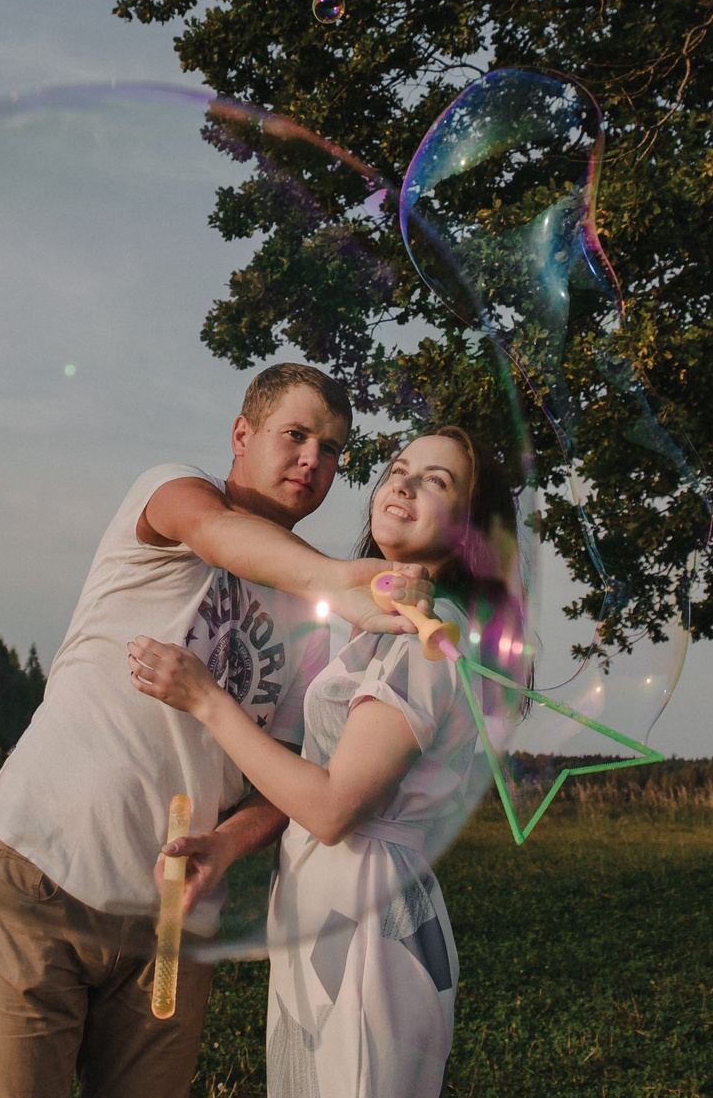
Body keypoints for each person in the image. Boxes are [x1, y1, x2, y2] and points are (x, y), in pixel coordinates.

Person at [0, 362, 432, 1098]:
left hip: (174, 925)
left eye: (333, 449)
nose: (314, 460)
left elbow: (289, 774)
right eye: (296, 435)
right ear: (242, 434)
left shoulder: (311, 626)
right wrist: (341, 580)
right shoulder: (173, 492)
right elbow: (213, 533)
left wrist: (227, 842)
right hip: (47, 868)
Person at [129, 426, 516, 1098]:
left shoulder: (432, 636)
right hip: (325, 908)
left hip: (368, 925)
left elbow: (334, 808)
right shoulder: (377, 633)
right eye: (401, 467)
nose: (404, 483)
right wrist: (226, 842)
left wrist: (206, 700)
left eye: (437, 481)